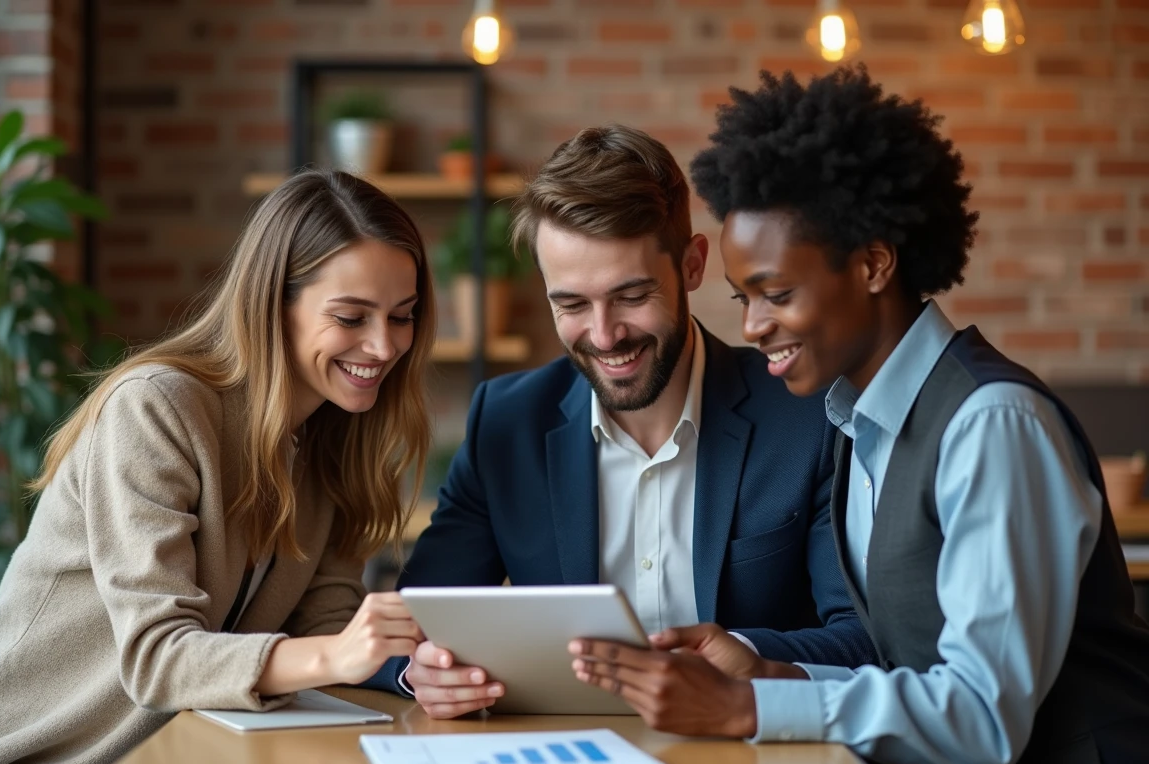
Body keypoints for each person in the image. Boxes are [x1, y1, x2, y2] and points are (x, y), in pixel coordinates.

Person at [568, 67, 1149, 764]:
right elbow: (915, 667)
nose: (752, 327)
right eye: (744, 298)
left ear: (874, 263)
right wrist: (769, 671)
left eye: (778, 294)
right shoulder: (859, 424)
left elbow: (984, 714)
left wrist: (747, 708)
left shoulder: (990, 426)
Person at [361, 124, 875, 719]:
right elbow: (409, 625)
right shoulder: (505, 422)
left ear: (691, 265)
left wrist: (747, 658)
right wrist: (419, 673)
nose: (605, 337)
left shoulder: (810, 417)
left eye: (631, 296)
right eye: (572, 304)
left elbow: (865, 642)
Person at [0, 170, 434, 764]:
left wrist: (412, 670)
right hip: (26, 760)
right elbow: (159, 658)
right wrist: (340, 654)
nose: (384, 345)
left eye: (403, 317)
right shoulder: (155, 409)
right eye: (350, 316)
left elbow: (327, 621)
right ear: (272, 306)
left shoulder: (338, 444)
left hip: (170, 755)